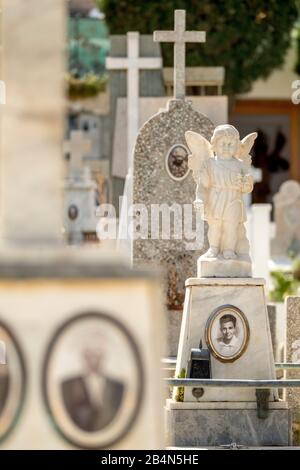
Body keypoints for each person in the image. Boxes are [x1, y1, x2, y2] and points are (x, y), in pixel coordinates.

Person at [61, 347, 124, 433]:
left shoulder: (117, 386)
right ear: (85, 357)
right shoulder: (68, 385)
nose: (93, 360)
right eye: (90, 355)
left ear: (102, 357)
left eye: (97, 355)